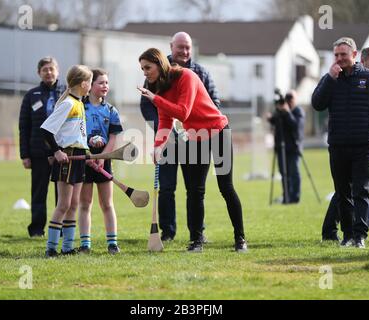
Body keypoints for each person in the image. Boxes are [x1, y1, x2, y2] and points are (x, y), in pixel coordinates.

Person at [138, 48, 247, 253]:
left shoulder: (187, 76)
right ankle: (196, 241)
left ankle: (240, 239)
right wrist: (157, 146)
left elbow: (183, 112)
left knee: (226, 187)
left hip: (218, 132)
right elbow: (165, 121)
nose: (145, 72)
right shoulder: (160, 87)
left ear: (159, 64)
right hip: (196, 138)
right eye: (142, 68)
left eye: (147, 67)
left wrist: (155, 99)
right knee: (196, 191)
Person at [140, 32, 220, 242]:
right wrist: (164, 132)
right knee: (167, 188)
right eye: (180, 47)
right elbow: (150, 106)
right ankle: (168, 232)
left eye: (187, 47)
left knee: (194, 189)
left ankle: (197, 232)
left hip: (196, 139)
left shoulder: (200, 72)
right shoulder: (156, 71)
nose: (184, 52)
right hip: (169, 139)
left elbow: (214, 104)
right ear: (171, 47)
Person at [312, 38, 369, 249]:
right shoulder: (330, 79)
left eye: (343, 55)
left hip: (363, 146)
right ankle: (347, 236)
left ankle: (360, 237)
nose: (339, 59)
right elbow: (317, 104)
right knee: (343, 193)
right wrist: (329, 78)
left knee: (362, 192)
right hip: (337, 145)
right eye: (336, 55)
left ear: (354, 55)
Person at [40, 65, 93, 258]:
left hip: (78, 157)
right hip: (67, 157)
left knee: (74, 204)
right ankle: (51, 248)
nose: (91, 86)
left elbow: (77, 134)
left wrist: (86, 152)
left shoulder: (79, 103)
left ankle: (68, 248)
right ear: (83, 83)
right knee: (63, 204)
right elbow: (46, 130)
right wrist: (57, 151)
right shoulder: (68, 104)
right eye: (90, 82)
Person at [78, 69, 123, 255]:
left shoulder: (111, 110)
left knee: (107, 203)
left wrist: (103, 157)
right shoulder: (80, 107)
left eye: (106, 83)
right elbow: (76, 133)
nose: (105, 86)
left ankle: (112, 243)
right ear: (90, 85)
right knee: (85, 203)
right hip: (84, 158)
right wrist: (88, 155)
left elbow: (113, 137)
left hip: (104, 159)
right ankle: (85, 245)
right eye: (101, 83)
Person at [19, 57, 65, 237]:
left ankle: (60, 229)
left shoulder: (67, 93)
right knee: (38, 193)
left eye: (51, 69)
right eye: (45, 69)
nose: (49, 72)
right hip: (38, 153)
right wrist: (25, 155)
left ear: (58, 71)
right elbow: (24, 126)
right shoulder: (31, 96)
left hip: (62, 152)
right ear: (39, 73)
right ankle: (37, 229)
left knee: (62, 194)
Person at [268, 90, 305, 204]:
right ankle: (286, 197)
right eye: (287, 99)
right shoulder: (282, 111)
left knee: (294, 173)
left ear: (295, 99)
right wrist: (272, 116)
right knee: (284, 174)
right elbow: (275, 122)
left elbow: (295, 126)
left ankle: (295, 197)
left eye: (291, 99)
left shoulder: (298, 111)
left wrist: (287, 112)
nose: (288, 102)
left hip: (294, 148)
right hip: (281, 148)